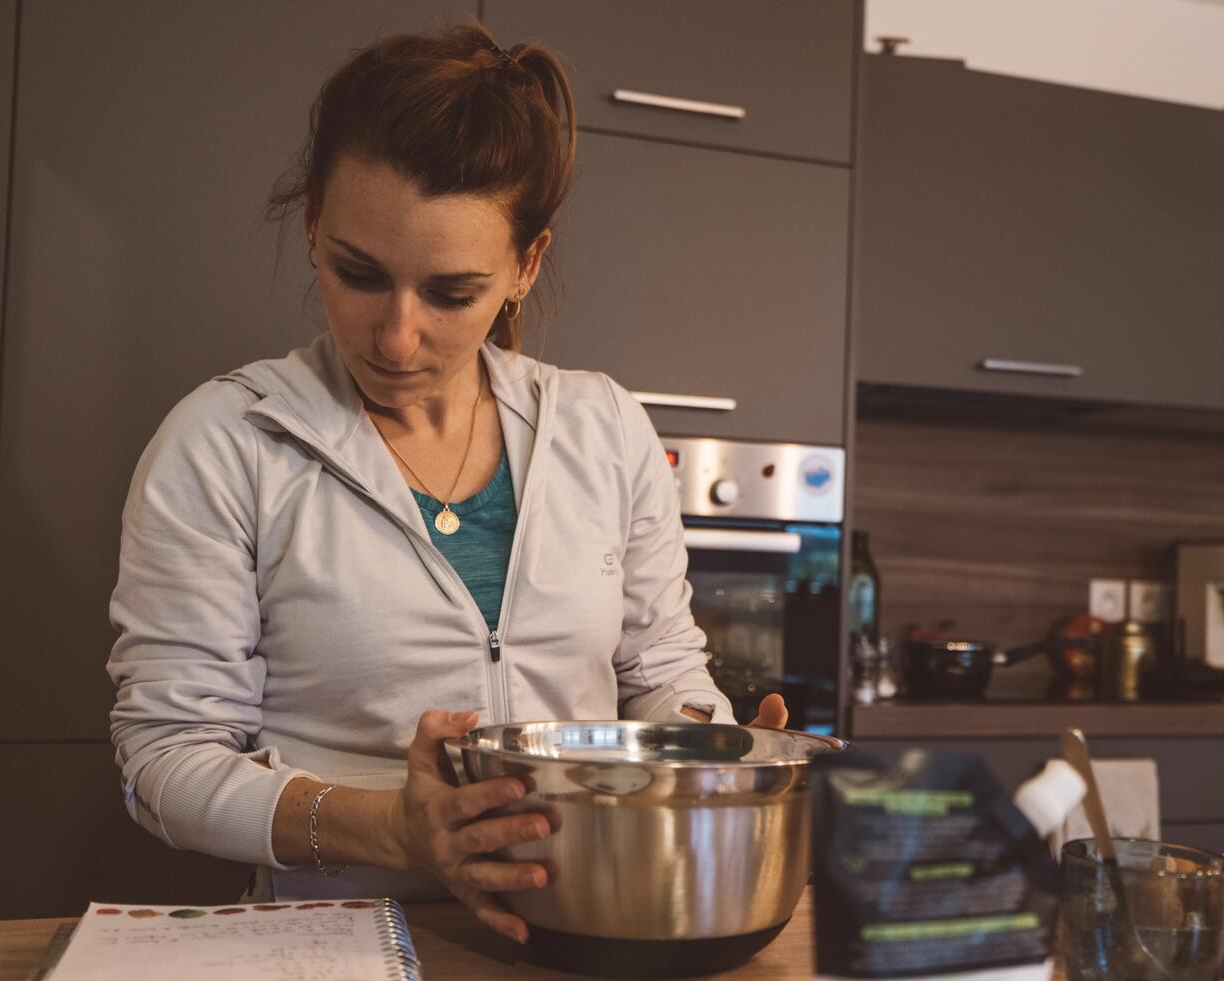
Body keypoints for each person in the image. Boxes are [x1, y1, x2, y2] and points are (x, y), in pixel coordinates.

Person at [106, 24, 785, 942]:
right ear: (312, 224)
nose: (395, 337)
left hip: (586, 930)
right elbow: (163, 762)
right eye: (359, 274)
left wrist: (713, 748)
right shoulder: (226, 444)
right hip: (331, 942)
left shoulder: (605, 427)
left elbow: (661, 671)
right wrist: (395, 825)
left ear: (525, 266)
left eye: (450, 292)